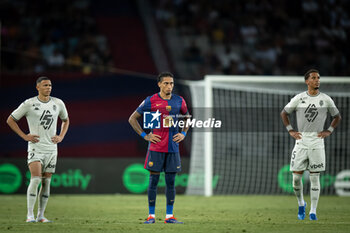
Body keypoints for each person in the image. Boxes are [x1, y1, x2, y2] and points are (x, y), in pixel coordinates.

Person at [129, 72, 190, 224]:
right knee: (153, 181)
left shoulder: (179, 101)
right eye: (166, 83)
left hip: (172, 148)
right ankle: (151, 216)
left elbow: (187, 117)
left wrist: (183, 133)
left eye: (172, 83)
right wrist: (145, 135)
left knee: (170, 182)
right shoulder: (151, 100)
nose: (169, 86)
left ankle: (169, 216)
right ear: (159, 84)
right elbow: (132, 118)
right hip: (156, 147)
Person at [6, 76, 70, 223]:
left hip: (52, 149)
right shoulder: (29, 103)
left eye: (50, 85)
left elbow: (66, 120)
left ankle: (41, 215)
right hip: (36, 147)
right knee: (35, 180)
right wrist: (24, 136)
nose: (49, 87)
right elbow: (10, 119)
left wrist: (61, 136)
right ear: (38, 87)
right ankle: (30, 215)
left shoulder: (58, 103)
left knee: (47, 182)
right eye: (45, 85)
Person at [280, 69, 341, 220]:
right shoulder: (299, 98)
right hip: (301, 141)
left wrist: (329, 130)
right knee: (295, 179)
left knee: (315, 178)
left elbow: (337, 116)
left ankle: (313, 211)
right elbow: (284, 113)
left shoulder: (326, 99)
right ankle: (301, 203)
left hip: (317, 142)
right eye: (314, 78)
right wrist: (290, 130)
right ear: (307, 81)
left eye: (318, 78)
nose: (317, 80)